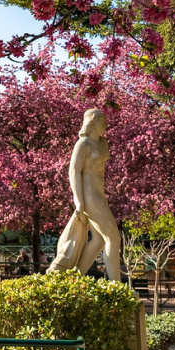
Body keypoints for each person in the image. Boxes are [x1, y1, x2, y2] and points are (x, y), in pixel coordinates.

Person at [47, 109, 120, 282]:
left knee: (98, 241)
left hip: (99, 195)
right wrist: (78, 199)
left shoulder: (101, 143)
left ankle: (72, 280)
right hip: (89, 196)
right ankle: (117, 286)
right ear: (93, 123)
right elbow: (73, 171)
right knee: (113, 238)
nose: (106, 125)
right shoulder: (83, 143)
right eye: (103, 122)